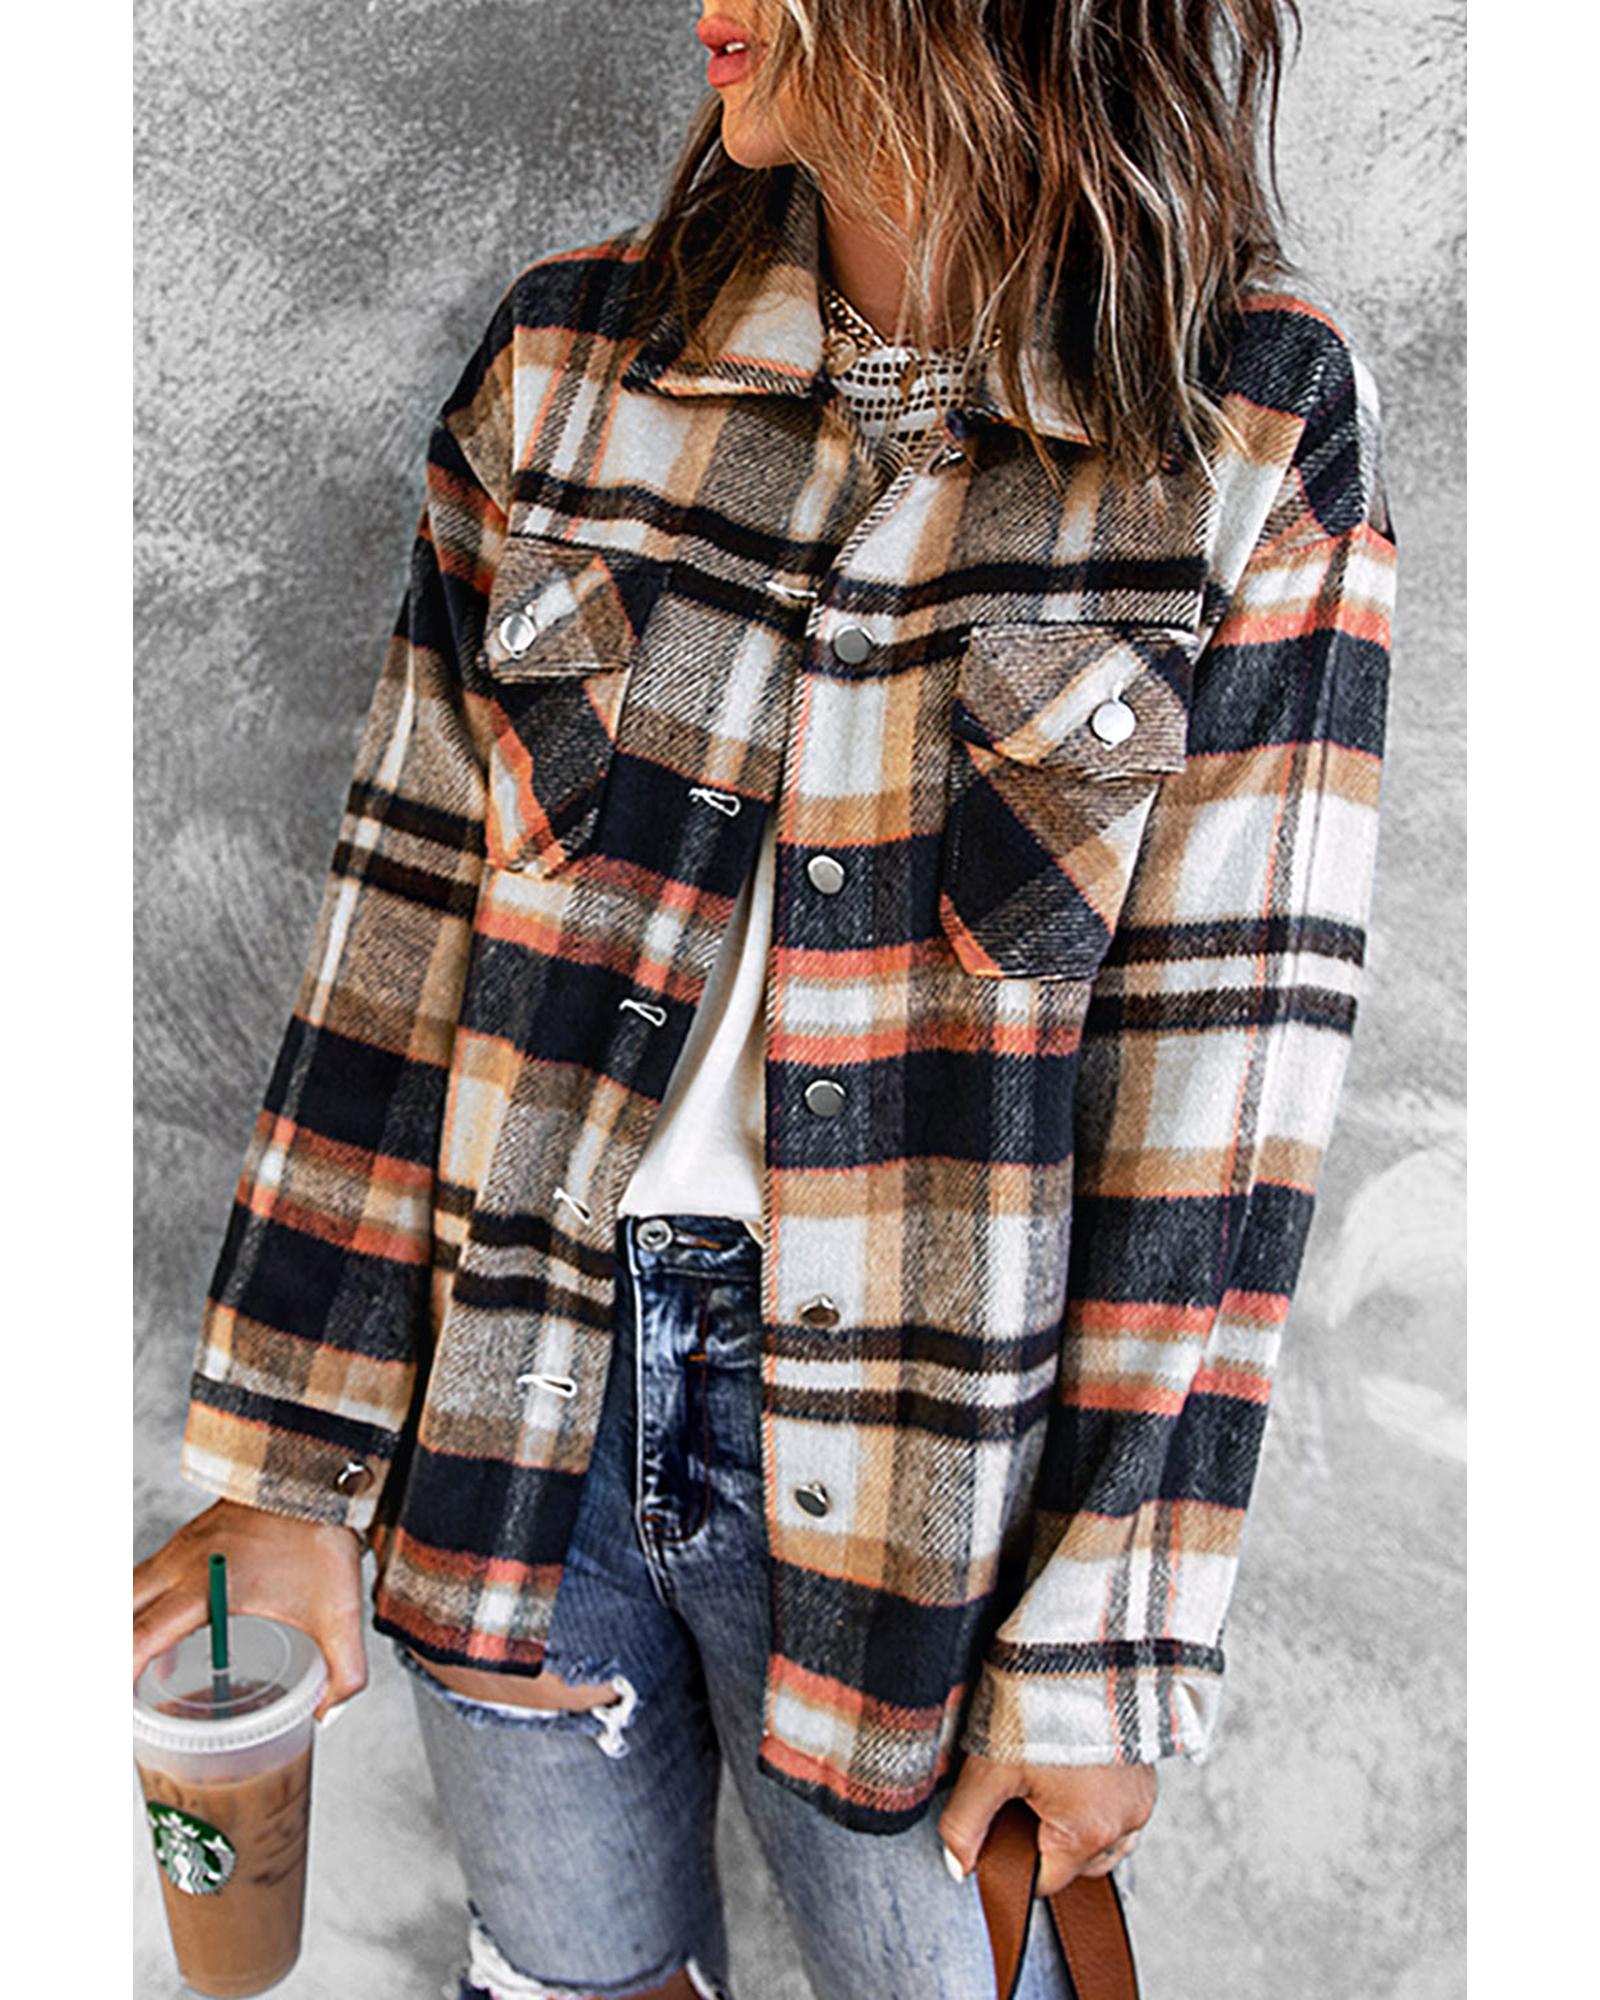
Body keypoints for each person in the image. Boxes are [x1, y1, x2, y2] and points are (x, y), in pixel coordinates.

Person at [133, 4, 1397, 1996]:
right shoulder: (567, 362)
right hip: (514, 1397)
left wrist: (1102, 1641)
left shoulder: (1243, 416)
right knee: (568, 1975)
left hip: (932, 1498)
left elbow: (1222, 1106)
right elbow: (399, 929)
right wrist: (287, 1470)